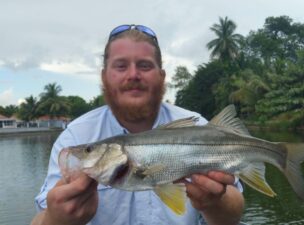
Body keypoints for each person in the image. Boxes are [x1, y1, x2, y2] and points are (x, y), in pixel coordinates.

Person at [31, 24, 244, 225]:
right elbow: (40, 218)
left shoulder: (198, 126)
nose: (133, 75)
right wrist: (55, 219)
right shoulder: (75, 136)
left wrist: (217, 202)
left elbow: (233, 215)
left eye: (144, 65)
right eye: (121, 66)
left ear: (162, 76)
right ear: (104, 76)